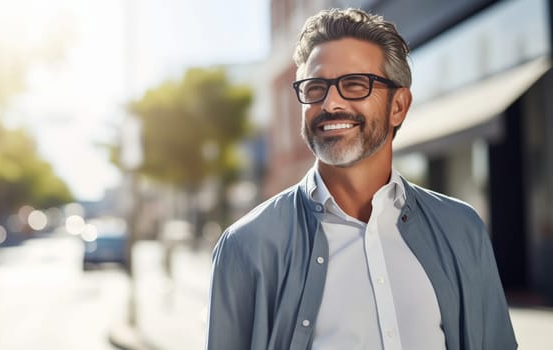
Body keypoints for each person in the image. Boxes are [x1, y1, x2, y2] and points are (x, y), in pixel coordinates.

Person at [206, 7, 517, 350]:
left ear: (398, 106)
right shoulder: (247, 247)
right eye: (315, 87)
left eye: (355, 84)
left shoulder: (461, 228)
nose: (331, 103)